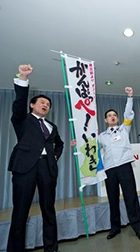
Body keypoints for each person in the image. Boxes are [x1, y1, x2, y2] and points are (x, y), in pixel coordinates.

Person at [7, 64, 64, 252]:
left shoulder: (52, 127)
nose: (45, 105)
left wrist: (54, 157)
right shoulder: (22, 120)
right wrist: (23, 79)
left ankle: (51, 248)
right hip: (25, 168)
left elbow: (60, 144)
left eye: (48, 104)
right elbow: (19, 103)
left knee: (48, 210)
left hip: (46, 169)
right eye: (42, 102)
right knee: (20, 212)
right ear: (32, 105)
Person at [98, 87, 140, 240]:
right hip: (110, 170)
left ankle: (138, 228)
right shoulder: (101, 136)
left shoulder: (124, 129)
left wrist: (130, 97)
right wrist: (76, 143)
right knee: (113, 199)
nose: (112, 117)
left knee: (131, 197)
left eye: (114, 115)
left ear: (117, 119)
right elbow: (88, 146)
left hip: (125, 167)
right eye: (109, 116)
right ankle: (115, 228)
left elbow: (128, 114)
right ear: (105, 120)